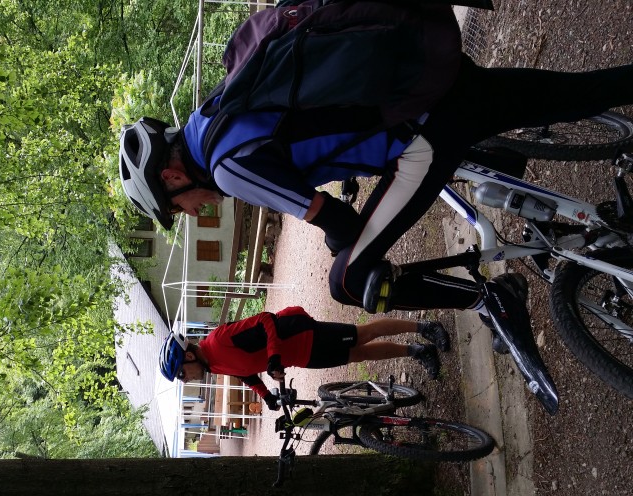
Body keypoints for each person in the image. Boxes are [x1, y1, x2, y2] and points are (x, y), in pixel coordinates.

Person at [119, 46, 633, 347]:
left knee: (346, 281)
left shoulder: (227, 168)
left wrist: (340, 243)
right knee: (577, 94)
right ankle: (539, 192)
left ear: (172, 177)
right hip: (429, 75)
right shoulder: (212, 113)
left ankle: (492, 300)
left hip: (419, 134)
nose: (194, 213)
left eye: (178, 209)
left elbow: (338, 220)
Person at [158, 306, 450, 410]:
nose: (186, 380)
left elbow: (266, 320)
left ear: (188, 355)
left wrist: (273, 357)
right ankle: (417, 352)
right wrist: (265, 396)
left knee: (361, 335)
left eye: (181, 374)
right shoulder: (213, 364)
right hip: (303, 356)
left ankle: (425, 327)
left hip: (302, 334)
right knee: (358, 355)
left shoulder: (219, 341)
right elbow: (245, 372)